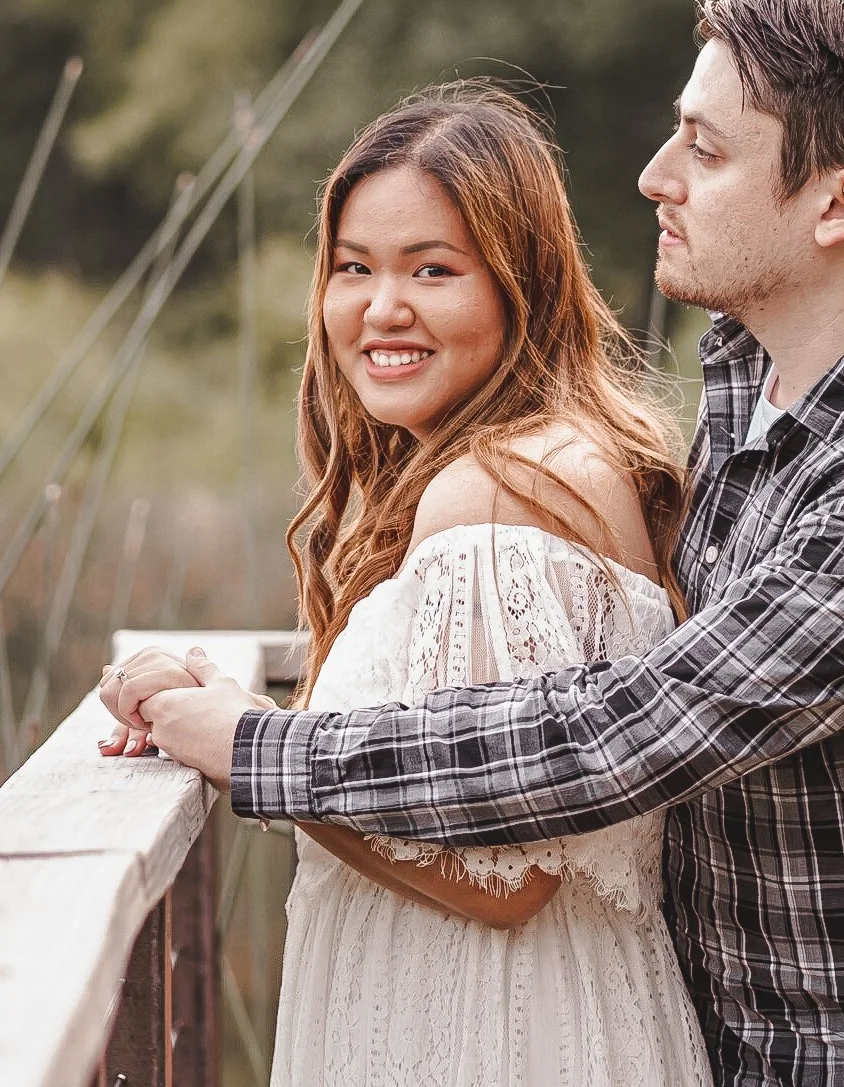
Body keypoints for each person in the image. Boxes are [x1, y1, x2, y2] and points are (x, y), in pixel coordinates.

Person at [106, 0, 844, 1086]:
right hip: (733, 1044)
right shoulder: (754, 375)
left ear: (838, 203)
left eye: (706, 150)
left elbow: (631, 729)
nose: (656, 175)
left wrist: (260, 747)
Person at [101, 82, 715, 1087]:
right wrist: (225, 714)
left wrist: (243, 746)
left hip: (495, 1033)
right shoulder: (536, 460)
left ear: (520, 284)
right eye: (353, 268)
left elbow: (509, 872)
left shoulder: (499, 494)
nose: (381, 307)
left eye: (432, 269)